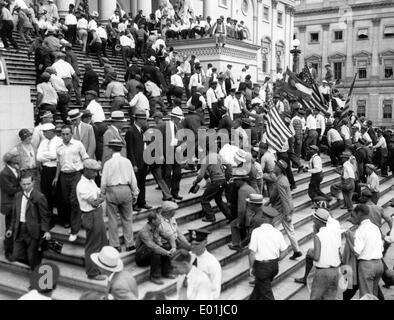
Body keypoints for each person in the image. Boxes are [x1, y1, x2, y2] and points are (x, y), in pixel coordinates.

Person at [101, 140, 139, 253]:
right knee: (127, 218)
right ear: (121, 149)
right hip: (126, 189)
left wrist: (102, 193)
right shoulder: (127, 162)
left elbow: (104, 181)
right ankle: (130, 243)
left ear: (111, 149)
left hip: (112, 190)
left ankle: (115, 245)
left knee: (112, 218)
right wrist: (135, 192)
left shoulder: (108, 163)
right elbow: (133, 179)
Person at [7, 173, 51, 270]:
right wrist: (11, 228)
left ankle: (36, 272)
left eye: (28, 184)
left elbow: (45, 216)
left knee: (33, 256)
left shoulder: (39, 197)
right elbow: (15, 214)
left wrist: (46, 231)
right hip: (20, 228)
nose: (26, 186)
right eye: (24, 184)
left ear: (33, 183)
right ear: (20, 184)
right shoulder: (17, 196)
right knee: (16, 255)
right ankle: (35, 265)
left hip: (33, 230)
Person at [53, 125, 89, 240]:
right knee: (66, 200)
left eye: (67, 134)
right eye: (63, 134)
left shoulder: (78, 145)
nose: (65, 136)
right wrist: (56, 177)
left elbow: (85, 158)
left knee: (74, 199)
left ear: (71, 134)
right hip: (64, 175)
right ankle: (75, 221)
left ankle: (74, 230)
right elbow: (58, 163)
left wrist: (88, 176)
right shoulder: (58, 147)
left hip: (76, 174)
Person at [76, 159, 108, 281]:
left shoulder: (91, 181)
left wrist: (101, 197)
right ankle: (92, 273)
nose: (96, 174)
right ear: (87, 170)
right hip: (90, 215)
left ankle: (99, 268)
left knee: (102, 242)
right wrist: (102, 198)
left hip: (97, 214)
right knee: (93, 245)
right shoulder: (82, 185)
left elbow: (99, 195)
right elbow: (95, 202)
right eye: (94, 172)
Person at [345, 204, 384, 297]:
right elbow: (381, 247)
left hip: (367, 266)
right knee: (374, 294)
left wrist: (348, 239)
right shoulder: (375, 227)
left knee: (366, 296)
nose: (353, 217)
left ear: (359, 214)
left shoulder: (360, 230)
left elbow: (356, 252)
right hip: (379, 264)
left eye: (354, 215)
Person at [248, 204, 286, 300]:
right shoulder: (278, 232)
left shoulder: (256, 231)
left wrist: (252, 267)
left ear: (263, 217)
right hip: (274, 267)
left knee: (267, 295)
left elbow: (252, 252)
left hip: (262, 268)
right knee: (258, 289)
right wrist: (274, 260)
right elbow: (284, 252)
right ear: (272, 219)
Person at [268, 160, 302, 260]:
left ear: (280, 169)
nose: (275, 166)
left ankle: (277, 251)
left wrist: (287, 214)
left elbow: (284, 199)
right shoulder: (283, 178)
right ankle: (297, 251)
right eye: (275, 164)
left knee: (271, 229)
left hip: (281, 209)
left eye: (277, 165)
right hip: (285, 208)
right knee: (290, 231)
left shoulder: (281, 181)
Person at [191, 140, 231, 223]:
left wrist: (196, 181)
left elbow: (201, 175)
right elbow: (229, 165)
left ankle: (210, 217)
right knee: (218, 199)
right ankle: (230, 216)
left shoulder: (206, 159)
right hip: (223, 181)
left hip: (216, 182)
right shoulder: (218, 156)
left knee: (204, 199)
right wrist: (227, 177)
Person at [135, 212, 176, 285]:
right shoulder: (144, 231)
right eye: (159, 219)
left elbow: (170, 236)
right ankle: (154, 277)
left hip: (150, 252)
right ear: (153, 221)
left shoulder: (156, 228)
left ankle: (166, 272)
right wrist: (166, 252)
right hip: (141, 258)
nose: (161, 221)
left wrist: (173, 247)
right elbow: (153, 247)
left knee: (166, 247)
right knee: (157, 252)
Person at [309, 209, 342, 300]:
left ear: (318, 221)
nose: (313, 222)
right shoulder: (333, 233)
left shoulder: (318, 235)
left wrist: (310, 253)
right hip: (335, 270)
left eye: (314, 220)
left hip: (323, 272)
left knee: (316, 297)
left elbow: (316, 257)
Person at [125, 111, 152, 211]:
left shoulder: (141, 130)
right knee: (134, 185)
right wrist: (133, 164)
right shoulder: (131, 131)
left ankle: (142, 202)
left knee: (142, 183)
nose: (145, 121)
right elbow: (130, 150)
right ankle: (134, 204)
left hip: (143, 161)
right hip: (136, 163)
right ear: (138, 120)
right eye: (143, 119)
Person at [156, 107, 185, 201]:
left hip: (177, 153)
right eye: (178, 118)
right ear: (174, 117)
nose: (179, 120)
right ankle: (167, 194)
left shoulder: (180, 126)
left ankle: (175, 192)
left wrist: (182, 146)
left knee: (177, 174)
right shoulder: (163, 125)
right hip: (167, 153)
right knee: (167, 175)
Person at [36, 123, 62, 214]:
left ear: (51, 132)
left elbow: (56, 155)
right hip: (45, 169)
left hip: (55, 169)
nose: (44, 134)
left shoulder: (59, 141)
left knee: (58, 194)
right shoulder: (43, 142)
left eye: (45, 132)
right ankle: (48, 216)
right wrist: (50, 156)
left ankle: (62, 218)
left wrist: (46, 155)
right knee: (46, 193)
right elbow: (38, 157)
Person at [0, 151, 21, 261]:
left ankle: (16, 250)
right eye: (16, 157)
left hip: (17, 204)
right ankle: (8, 252)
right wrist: (23, 189)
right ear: (11, 161)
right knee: (10, 229)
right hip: (9, 206)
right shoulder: (4, 173)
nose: (18, 158)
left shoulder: (16, 169)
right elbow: (10, 190)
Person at [229, 168, 256, 251]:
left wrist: (239, 221)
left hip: (250, 216)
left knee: (234, 224)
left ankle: (236, 244)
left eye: (236, 180)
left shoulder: (242, 190)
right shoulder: (249, 187)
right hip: (254, 214)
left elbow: (241, 209)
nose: (235, 182)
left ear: (241, 180)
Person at [190, 229, 222, 299]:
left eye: (196, 244)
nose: (193, 246)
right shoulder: (188, 257)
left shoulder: (212, 263)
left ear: (205, 242)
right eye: (192, 244)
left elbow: (215, 292)